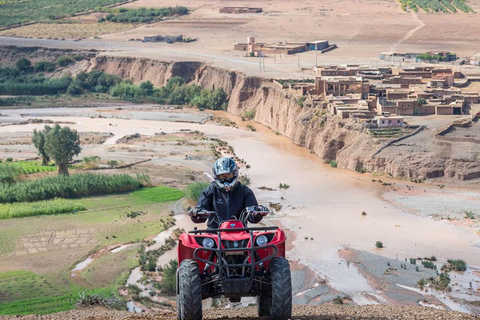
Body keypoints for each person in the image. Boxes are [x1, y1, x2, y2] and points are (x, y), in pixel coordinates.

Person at [188, 157, 268, 229]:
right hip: (214, 232)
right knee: (194, 243)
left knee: (261, 242)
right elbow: (201, 214)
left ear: (235, 173)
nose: (225, 179)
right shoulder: (209, 191)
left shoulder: (245, 191)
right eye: (222, 176)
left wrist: (258, 213)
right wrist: (195, 214)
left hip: (240, 231)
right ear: (216, 176)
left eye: (229, 175)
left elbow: (252, 218)